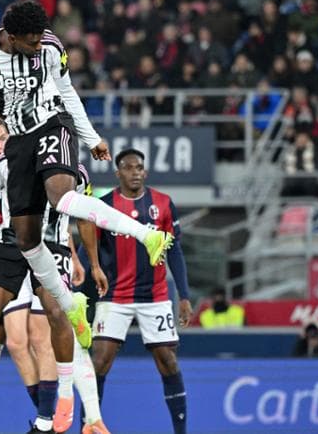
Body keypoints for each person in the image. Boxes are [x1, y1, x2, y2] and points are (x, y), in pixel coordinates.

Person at [0, 1, 175, 355]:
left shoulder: (50, 46)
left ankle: (147, 235)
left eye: (39, 39)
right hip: (18, 140)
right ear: (11, 37)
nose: (37, 45)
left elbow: (67, 91)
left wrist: (91, 139)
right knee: (27, 239)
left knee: (61, 196)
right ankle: (70, 303)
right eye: (30, 41)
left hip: (52, 124)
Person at [0, 114, 106, 433]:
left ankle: (64, 407)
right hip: (9, 247)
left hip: (52, 248)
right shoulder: (6, 161)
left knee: (50, 324)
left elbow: (84, 217)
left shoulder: (75, 171)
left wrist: (89, 262)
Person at [89, 149, 192, 434]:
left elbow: (175, 251)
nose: (135, 172)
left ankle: (181, 431)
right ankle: (89, 427)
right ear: (118, 173)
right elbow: (90, 248)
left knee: (168, 361)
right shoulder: (104, 205)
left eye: (139, 168)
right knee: (99, 362)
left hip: (155, 296)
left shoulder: (163, 203)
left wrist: (183, 295)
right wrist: (82, 280)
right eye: (129, 167)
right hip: (115, 296)